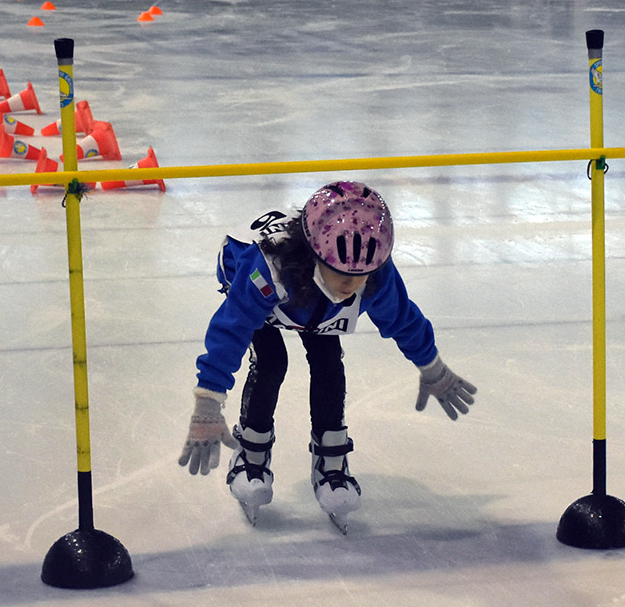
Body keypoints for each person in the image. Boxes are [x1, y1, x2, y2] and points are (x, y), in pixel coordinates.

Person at [178, 181, 476, 528]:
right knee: (273, 361)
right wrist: (208, 402)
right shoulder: (266, 270)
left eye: (360, 275)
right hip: (270, 292)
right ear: (315, 255)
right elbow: (232, 329)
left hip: (308, 301)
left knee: (328, 363)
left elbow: (403, 319)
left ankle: (330, 461)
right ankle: (251, 451)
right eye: (342, 273)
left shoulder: (375, 275)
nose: (351, 285)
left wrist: (433, 368)